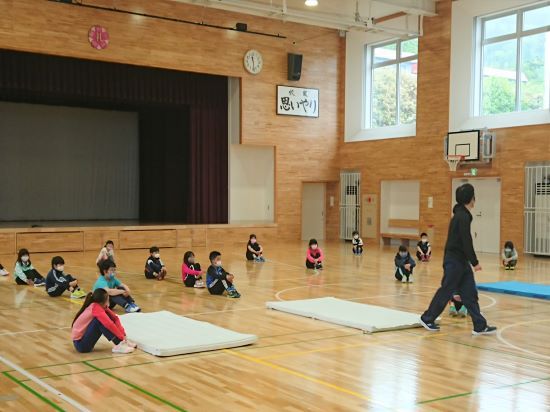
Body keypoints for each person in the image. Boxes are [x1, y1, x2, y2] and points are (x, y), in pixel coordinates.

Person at [420, 183, 497, 335]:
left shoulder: (461, 214)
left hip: (460, 261)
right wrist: (475, 262)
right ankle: (427, 318)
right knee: (446, 290)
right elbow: (466, 239)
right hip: (454, 261)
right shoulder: (462, 217)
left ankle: (479, 325)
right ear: (471, 199)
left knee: (469, 293)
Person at [71, 288, 136, 354]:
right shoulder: (96, 308)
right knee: (99, 321)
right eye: (108, 298)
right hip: (81, 345)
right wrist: (120, 338)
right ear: (104, 301)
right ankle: (119, 344)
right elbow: (109, 324)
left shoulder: (101, 306)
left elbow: (115, 318)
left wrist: (124, 336)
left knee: (106, 318)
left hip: (83, 341)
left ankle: (123, 342)